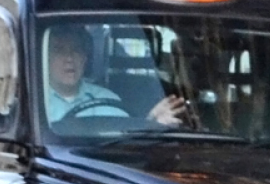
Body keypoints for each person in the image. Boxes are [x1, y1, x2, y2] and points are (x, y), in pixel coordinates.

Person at [44, 25, 186, 126]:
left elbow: (126, 141)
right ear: (45, 58)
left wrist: (150, 123)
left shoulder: (106, 97)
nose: (69, 58)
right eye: (59, 50)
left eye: (76, 50)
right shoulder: (36, 102)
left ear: (85, 58)